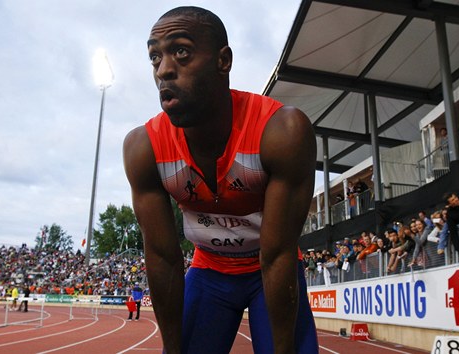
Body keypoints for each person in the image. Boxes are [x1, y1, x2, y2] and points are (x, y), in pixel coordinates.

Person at [123, 6, 318, 353]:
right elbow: (164, 257)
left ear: (223, 60)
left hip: (268, 267)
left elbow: (276, 256)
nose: (164, 69)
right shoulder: (143, 148)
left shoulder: (282, 131)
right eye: (155, 58)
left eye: (181, 52)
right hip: (209, 269)